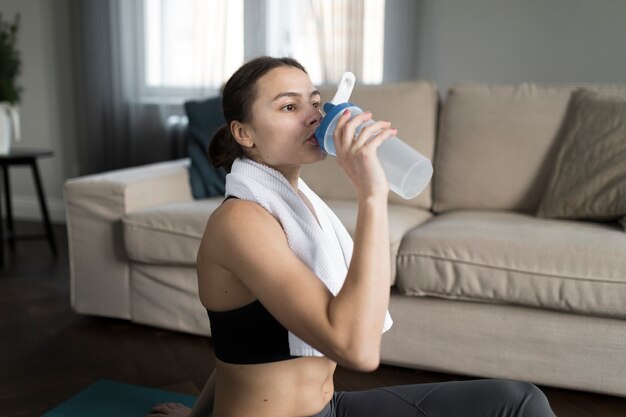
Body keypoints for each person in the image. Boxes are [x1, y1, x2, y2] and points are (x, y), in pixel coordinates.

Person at [148, 56, 557, 417]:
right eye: (289, 106)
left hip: (327, 408)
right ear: (244, 133)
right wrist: (372, 195)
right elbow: (356, 350)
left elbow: (236, 348)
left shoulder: (297, 204)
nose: (312, 114)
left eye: (314, 101)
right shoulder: (241, 222)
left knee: (518, 401)